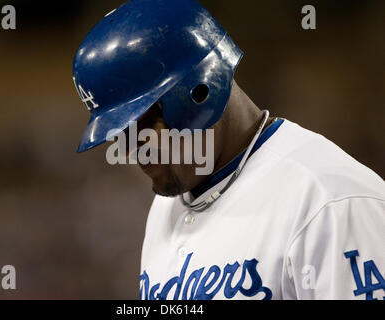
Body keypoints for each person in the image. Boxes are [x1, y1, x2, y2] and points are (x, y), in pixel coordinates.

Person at [72, 0, 385, 300]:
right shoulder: (166, 207)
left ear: (198, 93)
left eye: (136, 129)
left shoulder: (332, 201)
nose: (129, 151)